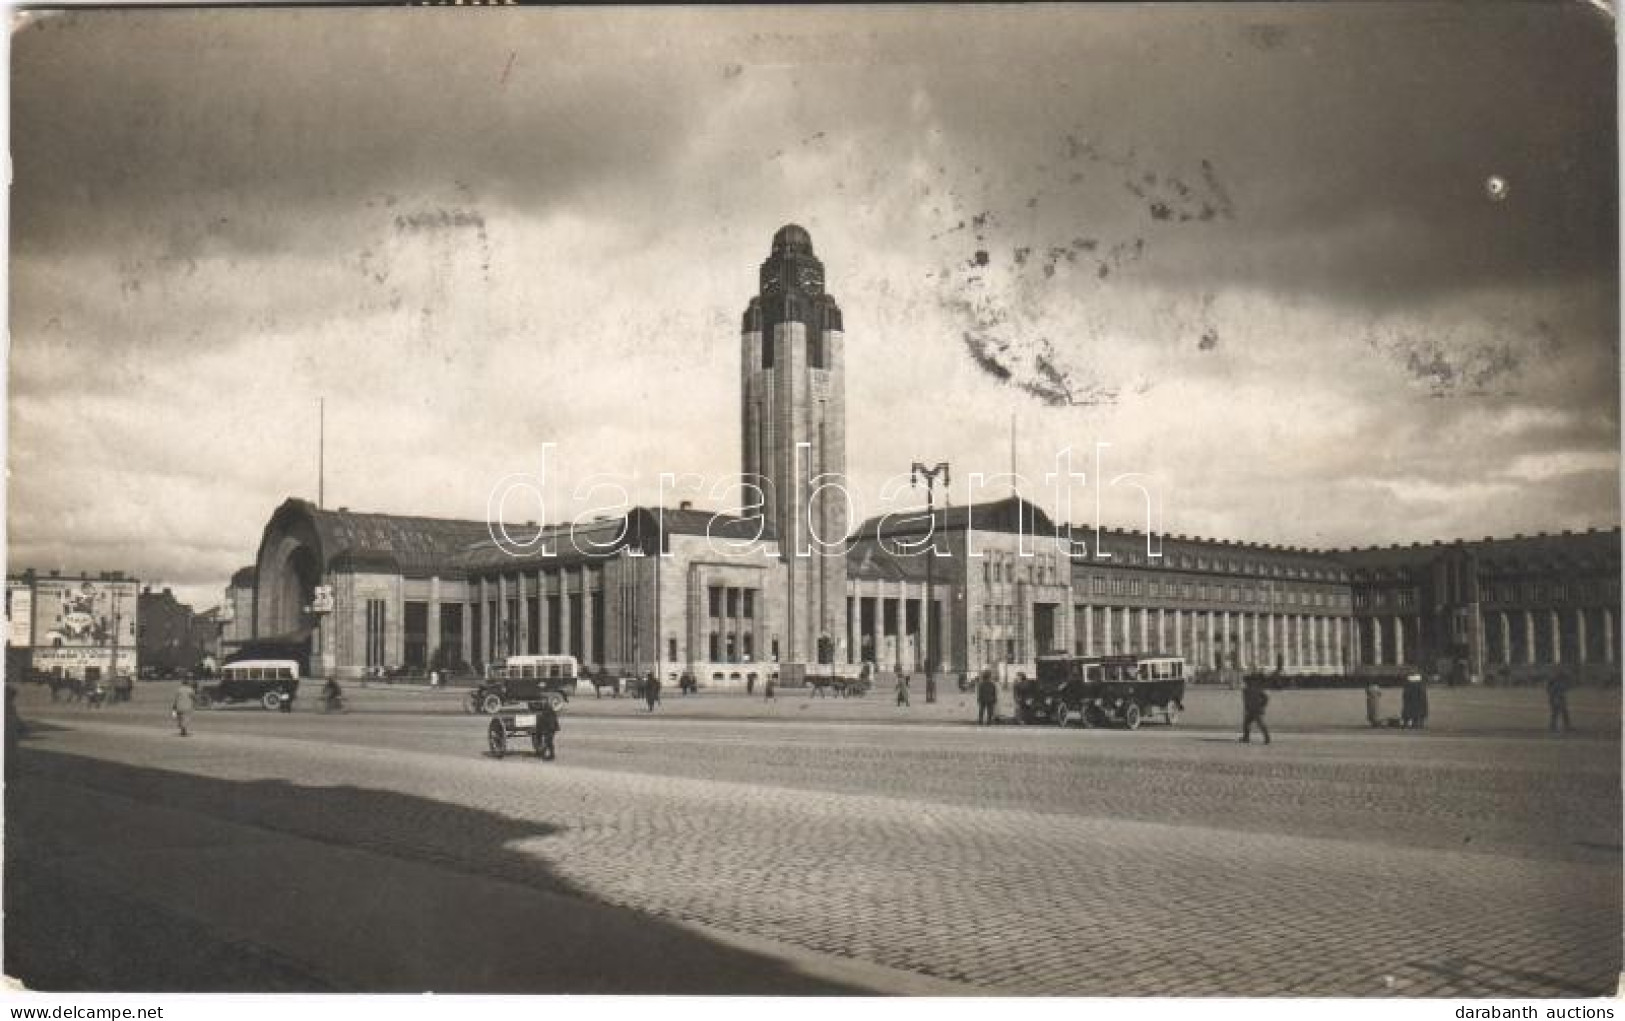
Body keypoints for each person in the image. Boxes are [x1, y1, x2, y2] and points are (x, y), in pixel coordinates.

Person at [1240, 677, 1270, 744]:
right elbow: (1246, 701)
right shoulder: (1245, 691)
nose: (1245, 684)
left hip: (1256, 710)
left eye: (1246, 682)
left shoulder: (1257, 689)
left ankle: (1267, 738)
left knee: (1260, 724)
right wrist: (1246, 708)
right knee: (1246, 724)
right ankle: (1246, 737)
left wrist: (1261, 705)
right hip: (1251, 710)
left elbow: (1266, 698)